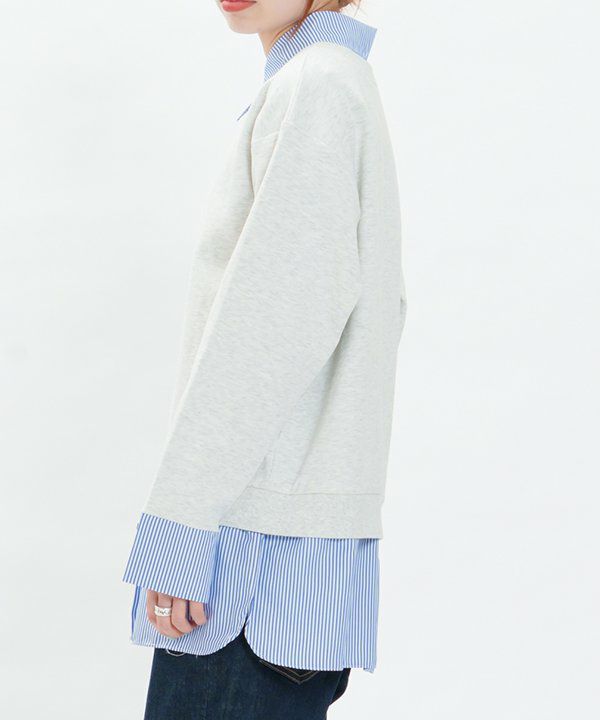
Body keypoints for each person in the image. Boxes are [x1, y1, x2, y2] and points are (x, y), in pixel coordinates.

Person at [122, 1, 407, 718]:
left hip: (250, 568)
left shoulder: (316, 85)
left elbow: (275, 324)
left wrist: (183, 520)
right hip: (287, 563)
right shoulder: (332, 80)